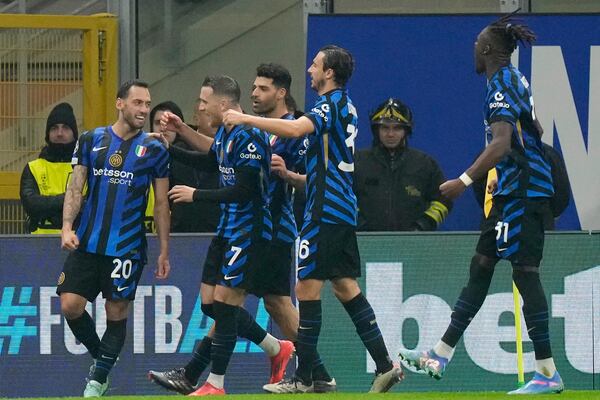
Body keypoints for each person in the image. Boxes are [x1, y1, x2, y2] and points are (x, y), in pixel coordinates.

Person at [398, 13, 564, 395]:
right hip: (508, 194)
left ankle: (547, 372)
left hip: (524, 192)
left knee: (525, 273)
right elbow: (530, 130)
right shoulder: (511, 80)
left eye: (476, 43)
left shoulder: (502, 82)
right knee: (482, 264)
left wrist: (464, 180)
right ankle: (440, 354)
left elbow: (503, 141)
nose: (473, 49)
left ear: (488, 48)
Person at [223, 45, 403, 394]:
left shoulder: (329, 104)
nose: (310, 69)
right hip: (341, 207)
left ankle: (304, 378)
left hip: (323, 211)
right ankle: (385, 365)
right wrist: (293, 177)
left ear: (330, 73)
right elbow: (329, 166)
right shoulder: (347, 105)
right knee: (345, 286)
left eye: (316, 65)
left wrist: (244, 118)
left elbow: (295, 130)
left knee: (306, 289)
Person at [149, 75, 293, 396]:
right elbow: (212, 161)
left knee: (227, 305)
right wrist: (170, 149)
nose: (199, 107)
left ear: (223, 104)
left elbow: (244, 190)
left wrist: (195, 194)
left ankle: (215, 383)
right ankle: (274, 347)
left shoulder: (250, 137)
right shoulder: (226, 135)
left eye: (204, 102)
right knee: (211, 305)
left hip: (250, 232)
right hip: (227, 230)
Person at [57, 80, 171, 397]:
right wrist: (67, 227)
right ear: (120, 103)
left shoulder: (155, 149)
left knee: (116, 311)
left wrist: (163, 249)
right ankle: (102, 362)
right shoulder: (91, 140)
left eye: (147, 104)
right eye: (138, 103)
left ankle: (98, 379)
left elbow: (161, 203)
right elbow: (75, 187)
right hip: (89, 242)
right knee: (70, 305)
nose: (144, 110)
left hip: (128, 247)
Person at [354, 98, 452, 231]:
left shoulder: (424, 164)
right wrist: (359, 224)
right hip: (363, 244)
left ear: (406, 131)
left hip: (414, 246)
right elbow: (343, 197)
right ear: (376, 130)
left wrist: (424, 225)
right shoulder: (357, 162)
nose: (390, 134)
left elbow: (444, 200)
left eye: (397, 128)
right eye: (385, 128)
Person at [149, 101, 219, 232]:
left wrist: (195, 195)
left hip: (217, 229)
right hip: (179, 230)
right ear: (196, 118)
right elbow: (162, 200)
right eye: (157, 123)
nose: (163, 128)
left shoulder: (230, 148)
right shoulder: (160, 156)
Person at [472, 142, 571, 230]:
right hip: (498, 224)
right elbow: (481, 192)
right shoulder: (487, 156)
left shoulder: (548, 154)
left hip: (535, 225)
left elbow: (561, 194)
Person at [20, 103, 79, 233]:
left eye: (65, 128)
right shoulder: (33, 168)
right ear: (47, 134)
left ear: (74, 134)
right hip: (39, 243)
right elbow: (31, 205)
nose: (59, 133)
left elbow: (90, 206)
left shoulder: (84, 168)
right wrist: (70, 199)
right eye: (54, 128)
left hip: (79, 244)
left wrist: (48, 209)